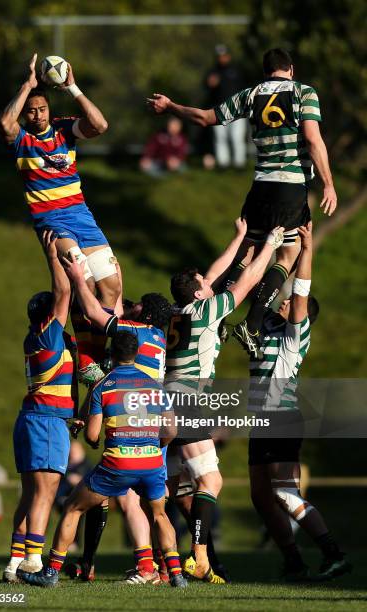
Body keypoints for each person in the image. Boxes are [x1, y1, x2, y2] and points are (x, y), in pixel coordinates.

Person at [147, 47, 337, 358]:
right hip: (290, 187)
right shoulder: (304, 93)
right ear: (291, 69)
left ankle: (217, 316)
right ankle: (252, 323)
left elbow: (205, 118)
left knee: (247, 251)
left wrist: (170, 106)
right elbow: (314, 139)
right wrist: (328, 183)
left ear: (266, 72)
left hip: (260, 187)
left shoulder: (251, 95)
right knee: (288, 255)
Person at [164, 220, 285, 582]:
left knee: (174, 490)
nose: (210, 284)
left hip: (164, 399)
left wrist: (237, 239)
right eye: (204, 285)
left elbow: (216, 274)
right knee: (211, 481)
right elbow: (245, 285)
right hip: (185, 401)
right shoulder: (205, 312)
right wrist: (269, 247)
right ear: (200, 294)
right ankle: (199, 556)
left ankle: (164, 559)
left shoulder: (177, 310)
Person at [17, 331, 187, 589]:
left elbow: (93, 435)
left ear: (112, 354)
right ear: (136, 354)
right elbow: (171, 431)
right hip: (152, 463)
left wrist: (94, 436)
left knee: (73, 506)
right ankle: (176, 575)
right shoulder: (155, 385)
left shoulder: (105, 385)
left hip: (118, 464)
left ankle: (51, 572)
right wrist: (154, 445)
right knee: (159, 514)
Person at [0, 53, 120, 384]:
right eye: (31, 111)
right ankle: (86, 360)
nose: (37, 115)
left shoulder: (65, 129)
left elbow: (100, 125)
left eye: (42, 109)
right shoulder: (22, 140)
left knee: (111, 288)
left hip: (82, 217)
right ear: (25, 113)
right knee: (86, 283)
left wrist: (73, 88)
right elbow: (5, 124)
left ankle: (95, 356)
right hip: (53, 222)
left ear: (49, 110)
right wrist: (27, 85)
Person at [248, 222, 351, 581]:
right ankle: (293, 561)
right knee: (261, 497)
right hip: (260, 421)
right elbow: (258, 288)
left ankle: (333, 553)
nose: (286, 300)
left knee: (286, 494)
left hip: (282, 418)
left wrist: (305, 251)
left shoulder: (295, 336)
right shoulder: (263, 328)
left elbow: (302, 290)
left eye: (291, 302)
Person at [62, 256, 173, 582]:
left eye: (137, 306)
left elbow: (97, 314)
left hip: (132, 424)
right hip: (154, 425)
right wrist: (117, 272)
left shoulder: (132, 331)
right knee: (155, 504)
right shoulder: (158, 338)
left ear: (144, 315)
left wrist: (77, 279)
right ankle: (166, 569)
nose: (131, 307)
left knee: (128, 499)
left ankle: (145, 567)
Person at [2, 230, 77, 583]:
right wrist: (54, 257)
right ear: (49, 316)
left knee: (31, 493)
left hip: (34, 417)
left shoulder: (35, 336)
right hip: (46, 420)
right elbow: (64, 292)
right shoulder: (49, 333)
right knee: (46, 492)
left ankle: (14, 564)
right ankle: (33, 560)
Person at [205, 44, 247, 169]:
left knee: (236, 137)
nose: (221, 58)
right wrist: (210, 84)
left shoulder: (236, 70)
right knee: (220, 138)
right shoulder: (213, 72)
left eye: (223, 56)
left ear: (228, 56)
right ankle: (223, 163)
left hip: (237, 109)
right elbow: (206, 87)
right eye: (219, 56)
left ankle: (239, 164)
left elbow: (245, 89)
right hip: (218, 109)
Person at [54, 440, 92, 551]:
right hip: (64, 497)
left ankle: (74, 542)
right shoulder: (66, 465)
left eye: (75, 450)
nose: (72, 453)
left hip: (81, 499)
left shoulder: (87, 465)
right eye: (71, 450)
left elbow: (93, 482)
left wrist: (79, 482)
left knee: (75, 514)